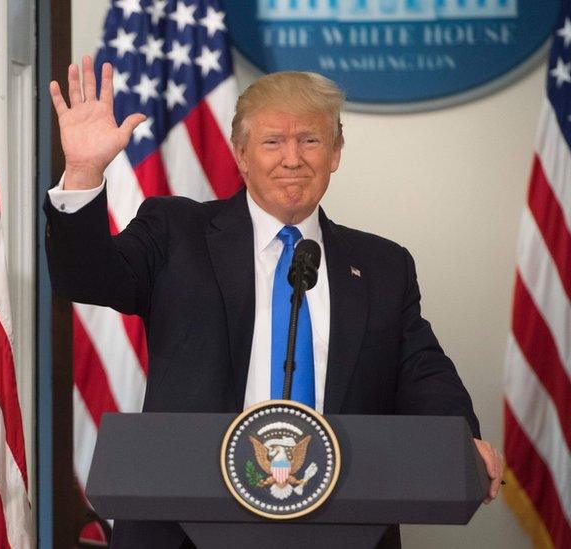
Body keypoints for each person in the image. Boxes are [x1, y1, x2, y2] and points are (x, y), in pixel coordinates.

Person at [45, 56, 504, 548]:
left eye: (310, 140)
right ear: (241, 154)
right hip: (182, 531)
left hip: (343, 527)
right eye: (272, 142)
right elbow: (86, 278)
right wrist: (82, 172)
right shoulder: (176, 232)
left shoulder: (382, 265)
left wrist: (459, 439)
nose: (292, 158)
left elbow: (423, 373)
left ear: (335, 153)